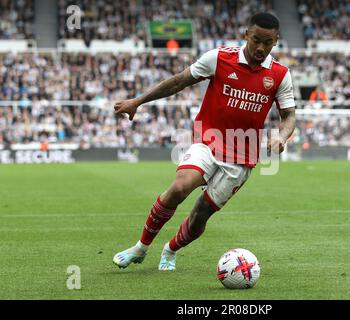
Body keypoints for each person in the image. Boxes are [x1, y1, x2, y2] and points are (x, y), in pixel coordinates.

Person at [112, 12, 296, 271]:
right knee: (179, 188)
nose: (261, 47)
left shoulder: (280, 74)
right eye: (256, 40)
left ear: (276, 41)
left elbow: (289, 116)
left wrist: (282, 135)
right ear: (246, 35)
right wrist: (138, 101)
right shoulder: (219, 58)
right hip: (208, 140)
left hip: (243, 155)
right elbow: (179, 81)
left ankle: (171, 249)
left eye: (268, 42)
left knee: (201, 214)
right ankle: (140, 248)